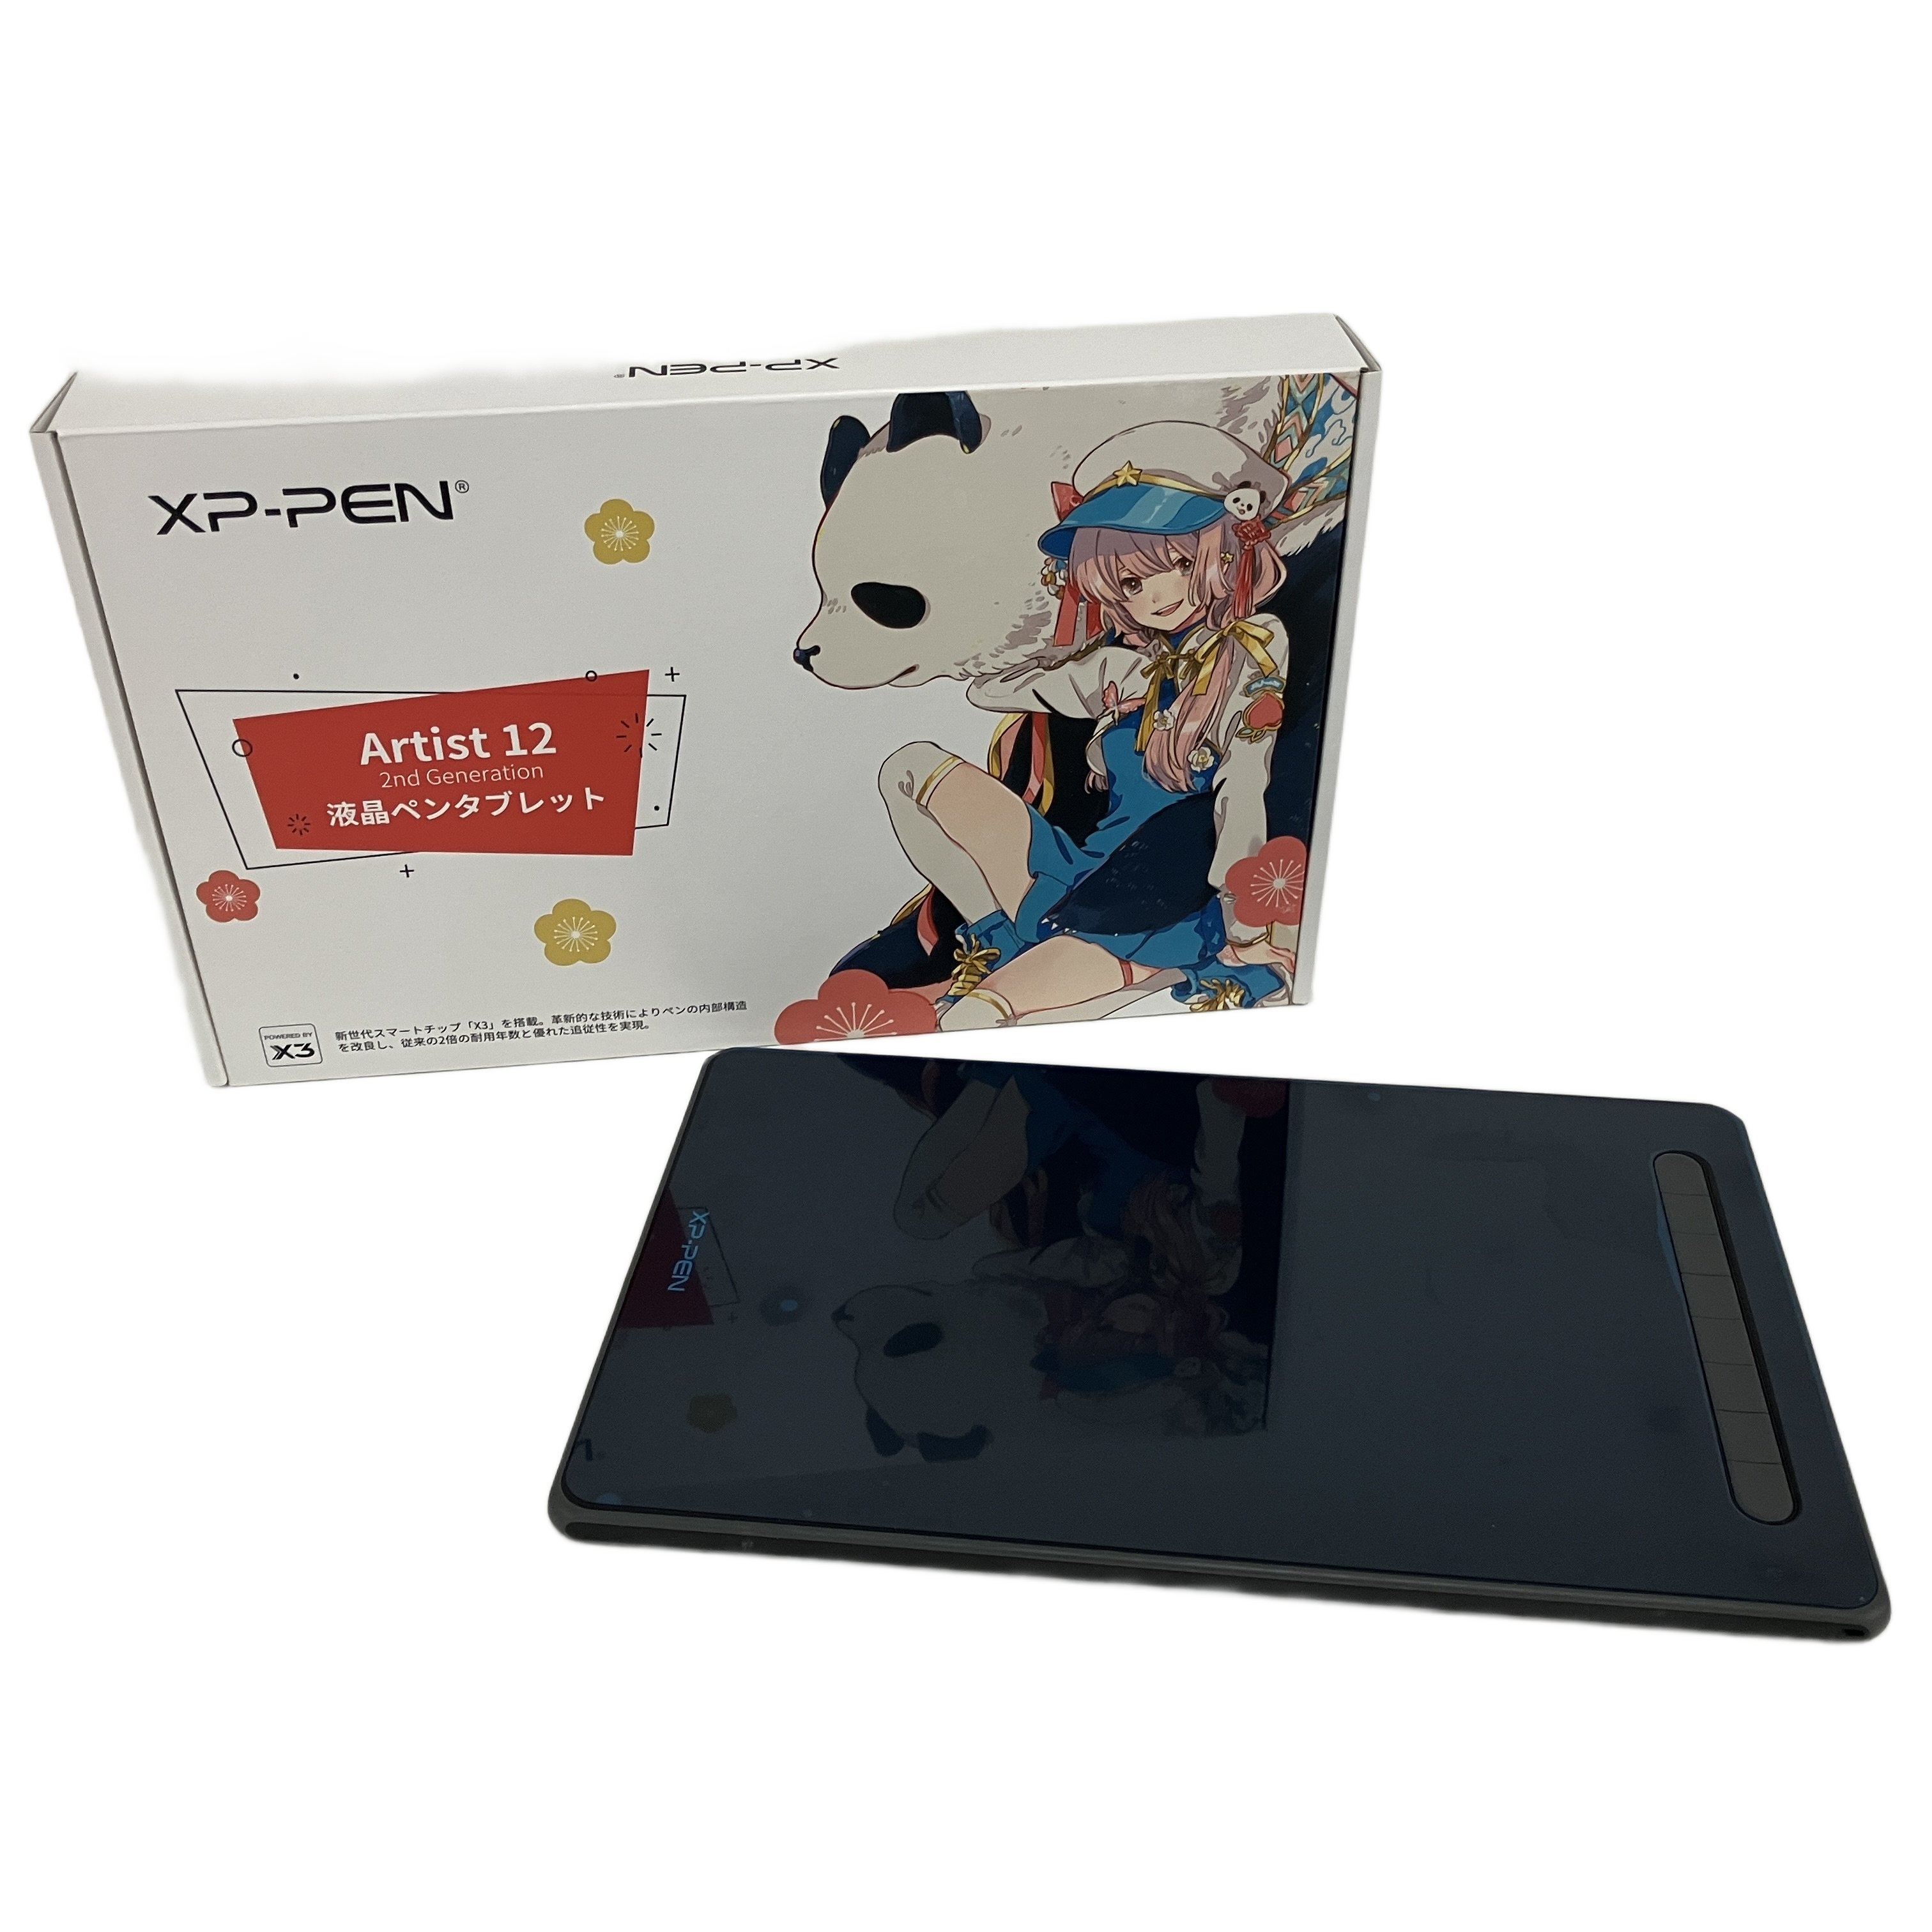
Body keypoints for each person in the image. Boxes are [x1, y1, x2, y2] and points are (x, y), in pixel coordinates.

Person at [876, 422, 1300, 1029]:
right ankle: (998, 938)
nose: (1153, 595)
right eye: (1128, 582)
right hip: (1080, 871)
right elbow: (986, 690)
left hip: (1152, 905)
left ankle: (1075, 964)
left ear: (1225, 549)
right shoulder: (1127, 664)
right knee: (908, 768)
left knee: (968, 1020)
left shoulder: (1254, 647)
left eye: (1177, 563)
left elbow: (1246, 785)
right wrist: (1088, 666)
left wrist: (1245, 928)